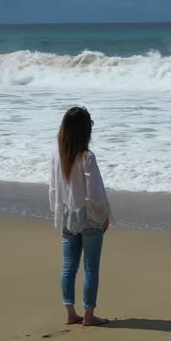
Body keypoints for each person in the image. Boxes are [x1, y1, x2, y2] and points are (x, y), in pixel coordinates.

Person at [50, 106, 113, 327]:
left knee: (68, 267)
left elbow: (55, 188)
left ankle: (70, 313)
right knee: (90, 268)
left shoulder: (58, 154)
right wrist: (104, 215)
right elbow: (95, 193)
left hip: (67, 214)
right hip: (87, 217)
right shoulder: (87, 157)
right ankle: (88, 315)